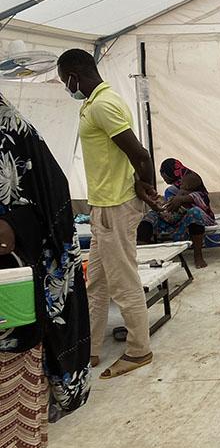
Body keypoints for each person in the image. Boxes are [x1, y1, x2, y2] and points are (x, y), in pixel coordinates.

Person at [0, 94, 91, 448]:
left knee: (16, 384)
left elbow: (48, 199)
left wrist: (12, 225)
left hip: (8, 289)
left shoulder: (11, 133)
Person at [58, 49, 158, 379]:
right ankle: (91, 349)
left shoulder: (103, 104)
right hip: (103, 206)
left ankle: (139, 350)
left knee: (123, 282)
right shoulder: (97, 102)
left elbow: (140, 154)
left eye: (64, 82)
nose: (66, 88)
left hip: (114, 207)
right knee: (96, 283)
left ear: (74, 76)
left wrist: (145, 185)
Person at [137, 158, 216, 268]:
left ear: (171, 172)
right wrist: (159, 204)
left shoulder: (192, 179)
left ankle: (198, 256)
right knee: (151, 216)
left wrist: (181, 200)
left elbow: (201, 198)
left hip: (198, 218)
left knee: (194, 212)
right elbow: (171, 207)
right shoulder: (171, 190)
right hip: (177, 218)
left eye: (163, 174)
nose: (163, 178)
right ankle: (141, 256)